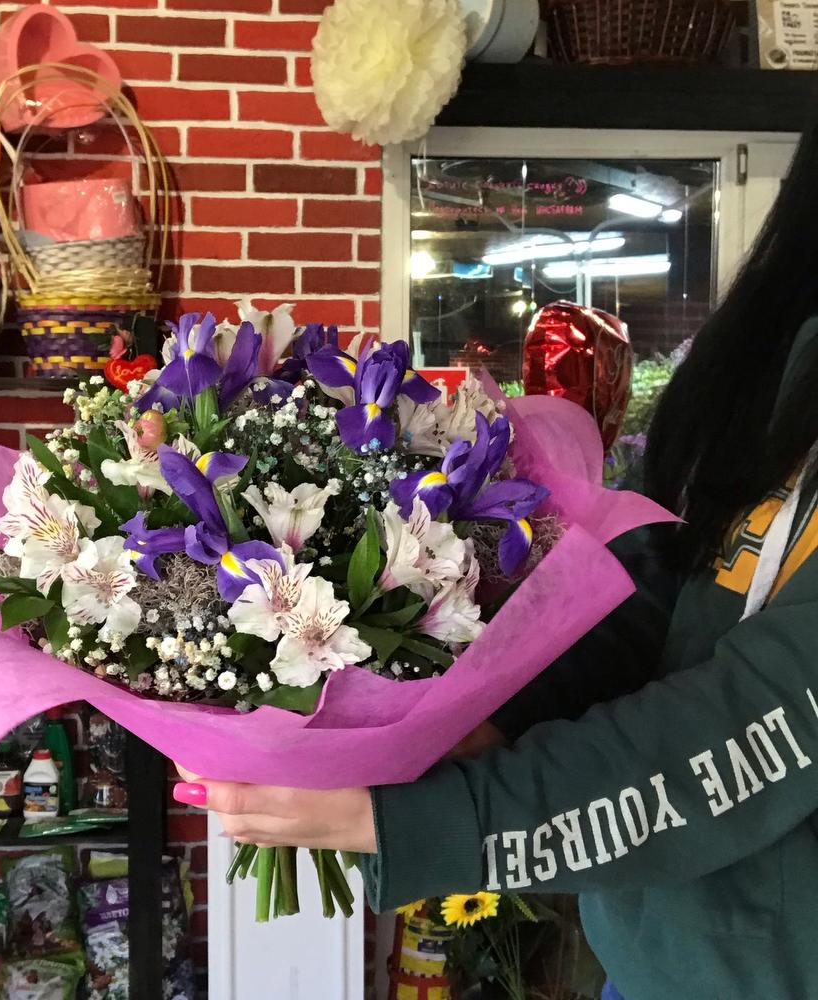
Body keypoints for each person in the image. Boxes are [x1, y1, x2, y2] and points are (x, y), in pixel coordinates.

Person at [171, 126, 818, 1000]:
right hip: (656, 955)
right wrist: (481, 721)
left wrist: (437, 817)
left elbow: (763, 715)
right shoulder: (780, 357)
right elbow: (665, 597)